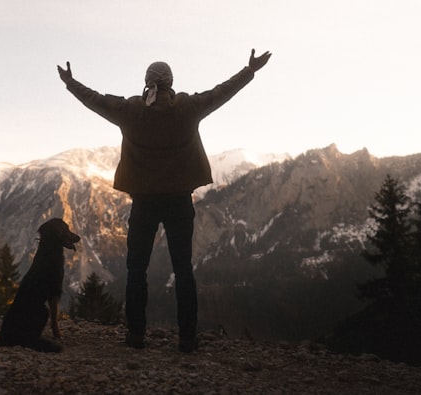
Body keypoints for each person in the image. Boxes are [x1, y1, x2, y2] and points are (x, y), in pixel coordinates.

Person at [57, 49, 271, 352]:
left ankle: (135, 335)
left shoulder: (130, 111)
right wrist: (249, 70)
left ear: (147, 84)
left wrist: (70, 82)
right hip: (179, 201)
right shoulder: (188, 108)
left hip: (144, 202)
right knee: (183, 269)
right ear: (171, 83)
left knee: (136, 269)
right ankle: (187, 338)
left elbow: (96, 100)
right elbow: (221, 92)